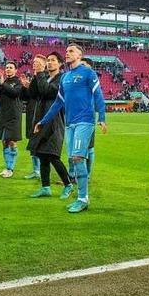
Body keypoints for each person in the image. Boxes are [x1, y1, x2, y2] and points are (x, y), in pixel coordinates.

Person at [35, 44, 107, 213]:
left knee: (77, 158)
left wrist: (102, 117)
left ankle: (83, 198)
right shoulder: (66, 77)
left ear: (80, 55)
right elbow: (58, 103)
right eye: (66, 51)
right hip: (69, 123)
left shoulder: (88, 73)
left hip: (85, 121)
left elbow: (98, 95)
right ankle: (80, 196)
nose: (67, 53)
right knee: (73, 159)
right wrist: (43, 121)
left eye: (71, 51)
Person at [27, 51, 73, 198]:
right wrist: (37, 75)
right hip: (41, 120)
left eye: (53, 60)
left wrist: (39, 74)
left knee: (53, 155)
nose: (49, 62)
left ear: (60, 63)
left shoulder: (62, 79)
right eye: (48, 60)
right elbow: (33, 93)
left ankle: (68, 185)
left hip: (54, 121)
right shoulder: (45, 78)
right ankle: (45, 187)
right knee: (42, 155)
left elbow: (47, 91)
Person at [0, 61, 23, 178]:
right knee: (4, 142)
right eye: (7, 67)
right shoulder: (2, 82)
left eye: (11, 68)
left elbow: (15, 93)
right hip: (2, 115)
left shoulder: (18, 82)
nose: (8, 69)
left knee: (12, 141)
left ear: (16, 70)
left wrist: (3, 83)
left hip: (13, 116)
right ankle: (7, 167)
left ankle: (11, 168)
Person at [21, 55, 46, 180]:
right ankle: (36, 170)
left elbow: (42, 93)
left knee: (39, 144)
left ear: (43, 64)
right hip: (31, 114)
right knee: (32, 143)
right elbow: (28, 97)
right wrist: (26, 88)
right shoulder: (35, 78)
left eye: (37, 62)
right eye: (34, 62)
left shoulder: (45, 77)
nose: (34, 64)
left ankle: (41, 170)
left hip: (40, 115)